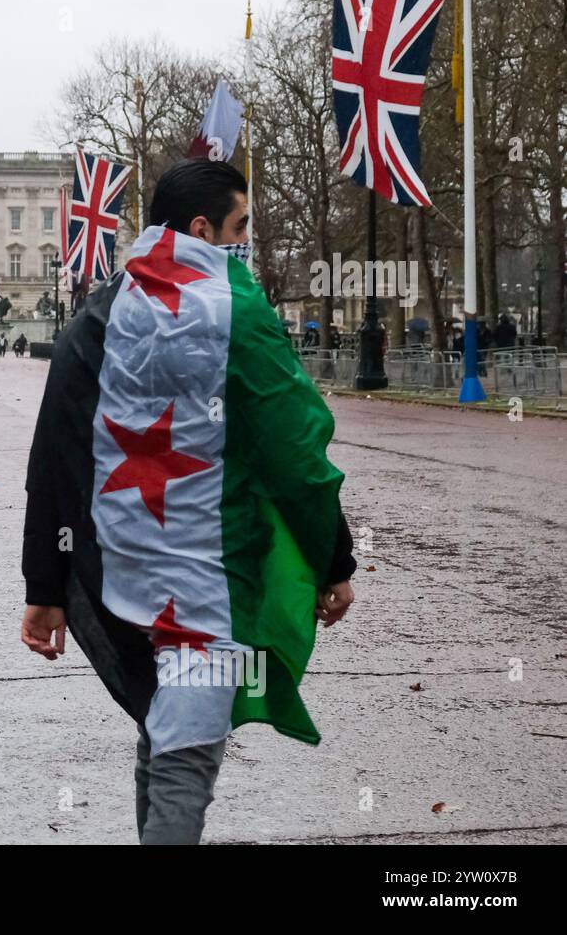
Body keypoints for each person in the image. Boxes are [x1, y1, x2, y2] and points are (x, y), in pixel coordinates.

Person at [19, 159, 355, 844]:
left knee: (163, 727)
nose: (245, 241)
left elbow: (52, 456)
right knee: (189, 748)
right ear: (202, 229)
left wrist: (44, 586)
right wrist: (333, 558)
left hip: (108, 571)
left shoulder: (94, 315)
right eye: (240, 227)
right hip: (209, 567)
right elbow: (294, 455)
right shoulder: (236, 307)